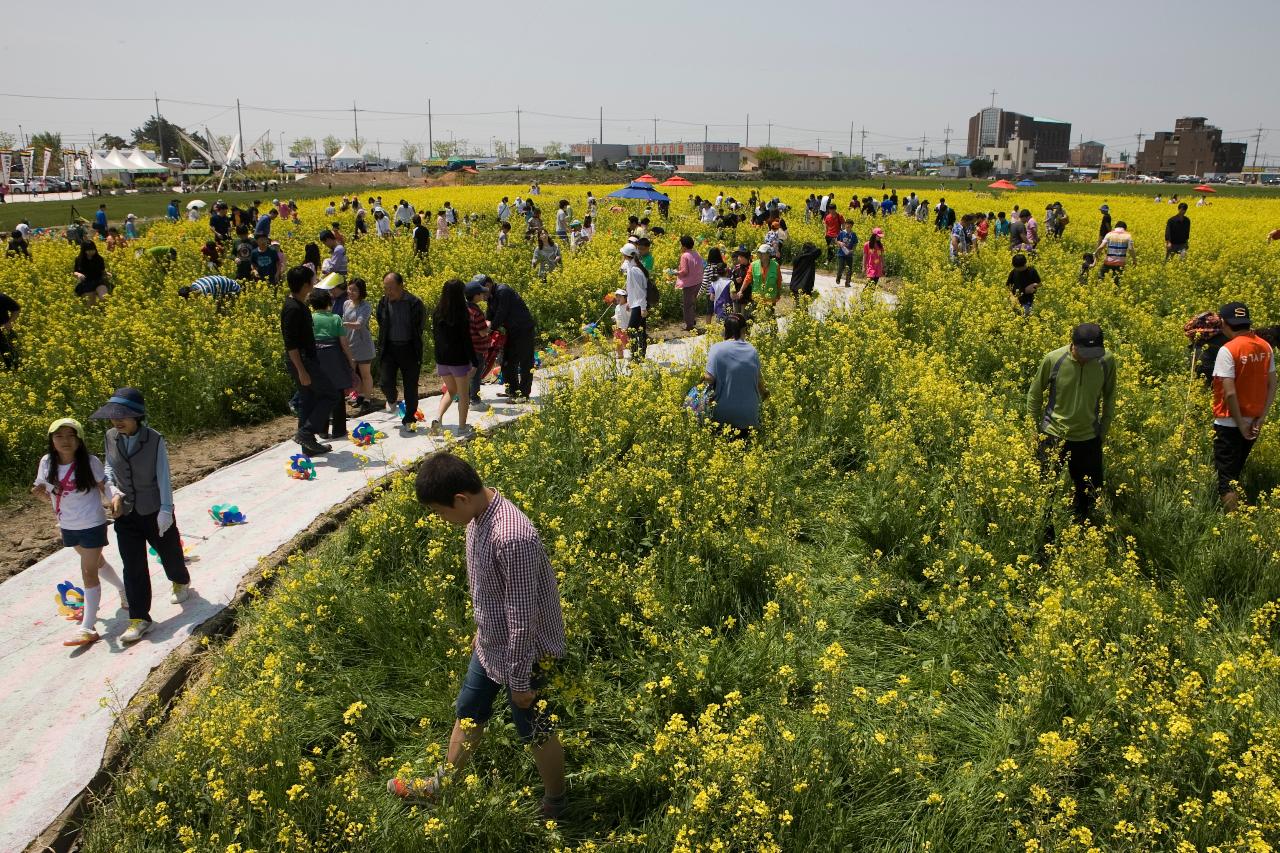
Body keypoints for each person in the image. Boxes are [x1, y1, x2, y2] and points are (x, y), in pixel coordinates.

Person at [388, 452, 567, 817]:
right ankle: (442, 787)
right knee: (468, 710)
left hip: (527, 654)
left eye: (440, 512)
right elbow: (493, 588)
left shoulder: (512, 536)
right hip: (491, 644)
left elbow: (522, 616)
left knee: (535, 729)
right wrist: (481, 628)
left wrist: (519, 683)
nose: (442, 520)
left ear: (460, 499)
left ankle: (557, 802)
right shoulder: (476, 516)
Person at [91, 387, 192, 644]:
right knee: (132, 565)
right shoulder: (110, 436)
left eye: (123, 416)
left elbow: (163, 475)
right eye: (114, 416)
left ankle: (180, 580)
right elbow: (109, 466)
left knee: (169, 551)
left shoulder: (154, 439)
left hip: (154, 509)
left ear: (137, 416)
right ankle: (139, 618)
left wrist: (166, 509)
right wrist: (112, 489)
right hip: (124, 512)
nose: (117, 421)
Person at [32, 418, 126, 646]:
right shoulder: (47, 462)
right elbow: (43, 488)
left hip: (92, 523)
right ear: (52, 440)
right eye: (59, 436)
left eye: (70, 436)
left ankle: (87, 628)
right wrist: (40, 492)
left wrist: (115, 496)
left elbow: (104, 484)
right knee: (98, 563)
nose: (65, 441)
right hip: (68, 524)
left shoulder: (90, 462)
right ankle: (123, 589)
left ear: (79, 439)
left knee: (88, 571)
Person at [1027, 324, 1117, 522]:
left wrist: (1104, 429)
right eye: (1084, 352)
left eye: (1093, 353)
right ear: (1072, 344)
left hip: (1088, 437)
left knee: (1088, 493)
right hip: (1053, 434)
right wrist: (1034, 430)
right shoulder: (1053, 359)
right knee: (1045, 492)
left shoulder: (1106, 360)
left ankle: (1080, 532)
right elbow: (1034, 394)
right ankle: (1045, 537)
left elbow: (1110, 396)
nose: (1088, 357)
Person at [1210, 302, 1277, 511]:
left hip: (1230, 421)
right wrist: (1260, 418)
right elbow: (1273, 384)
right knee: (1236, 472)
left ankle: (1233, 525)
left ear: (1224, 322)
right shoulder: (1265, 346)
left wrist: (1240, 425)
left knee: (1227, 479)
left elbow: (1230, 393)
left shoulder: (1228, 350)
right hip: (1254, 421)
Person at [281, 266, 339, 456]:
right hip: (303, 361)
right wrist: (301, 370)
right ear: (305, 284)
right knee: (330, 394)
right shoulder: (292, 309)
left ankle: (308, 445)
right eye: (312, 281)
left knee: (308, 399)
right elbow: (291, 344)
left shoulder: (298, 304)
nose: (315, 284)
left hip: (305, 360)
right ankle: (306, 433)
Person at [703, 313, 767, 440]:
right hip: (749, 417)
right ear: (744, 330)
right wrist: (765, 394)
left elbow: (709, 378)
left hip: (722, 416)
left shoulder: (717, 349)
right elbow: (759, 381)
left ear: (725, 330)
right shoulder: (752, 350)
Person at [375, 272, 427, 428]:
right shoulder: (383, 302)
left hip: (409, 348)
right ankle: (392, 398)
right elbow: (380, 321)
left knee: (410, 385)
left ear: (401, 287)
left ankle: (410, 417)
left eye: (392, 288)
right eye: (386, 288)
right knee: (385, 382)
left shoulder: (414, 303)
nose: (388, 292)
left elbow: (420, 326)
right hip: (389, 348)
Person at [475, 272, 537, 399]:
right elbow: (490, 316)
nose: (481, 295)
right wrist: (484, 328)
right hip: (512, 331)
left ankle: (523, 395)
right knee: (507, 362)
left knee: (525, 363)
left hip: (523, 329)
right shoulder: (491, 297)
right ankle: (513, 391)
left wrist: (489, 329)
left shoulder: (503, 291)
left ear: (488, 285)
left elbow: (501, 314)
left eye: (481, 290)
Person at [428, 279, 477, 436]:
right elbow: (466, 340)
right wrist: (474, 361)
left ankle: (438, 418)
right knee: (463, 395)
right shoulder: (461, 313)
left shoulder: (437, 312)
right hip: (458, 360)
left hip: (442, 360)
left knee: (451, 390)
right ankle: (462, 427)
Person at [308, 288, 356, 440]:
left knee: (321, 394)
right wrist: (351, 361)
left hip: (317, 358)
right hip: (334, 358)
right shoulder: (335, 318)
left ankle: (322, 430)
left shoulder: (310, 318)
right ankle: (339, 429)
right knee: (338, 394)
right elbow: (344, 343)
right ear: (329, 303)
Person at [341, 278, 377, 414]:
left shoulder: (365, 306)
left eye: (354, 290)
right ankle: (359, 395)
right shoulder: (346, 304)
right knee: (354, 374)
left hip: (363, 345)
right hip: (350, 344)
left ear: (361, 292)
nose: (351, 292)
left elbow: (359, 324)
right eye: (349, 289)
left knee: (365, 374)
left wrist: (341, 325)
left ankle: (367, 399)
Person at [464, 280, 493, 408]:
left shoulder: (464, 309)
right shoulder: (477, 312)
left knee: (466, 373)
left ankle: (465, 397)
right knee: (476, 375)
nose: (483, 295)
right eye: (481, 293)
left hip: (466, 347)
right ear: (475, 296)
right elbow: (482, 332)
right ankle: (475, 400)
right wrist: (488, 325)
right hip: (477, 348)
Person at [620, 244, 650, 358]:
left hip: (639, 305)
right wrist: (629, 301)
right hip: (636, 303)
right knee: (640, 330)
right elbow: (632, 289)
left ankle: (636, 356)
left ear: (626, 255)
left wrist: (643, 308)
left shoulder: (634, 270)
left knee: (631, 331)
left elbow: (641, 291)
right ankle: (640, 355)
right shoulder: (632, 267)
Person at [675, 235, 705, 332]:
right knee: (693, 303)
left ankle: (689, 325)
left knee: (687, 305)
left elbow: (684, 271)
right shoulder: (696, 253)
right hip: (698, 282)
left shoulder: (684, 255)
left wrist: (674, 272)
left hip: (689, 284)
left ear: (684, 246)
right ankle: (692, 320)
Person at [73, 240, 110, 305]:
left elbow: (102, 270)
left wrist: (107, 273)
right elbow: (75, 272)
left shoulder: (99, 258)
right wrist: (79, 274)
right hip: (87, 283)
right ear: (84, 250)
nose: (91, 252)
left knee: (104, 298)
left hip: (99, 281)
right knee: (91, 305)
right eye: (89, 250)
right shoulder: (79, 259)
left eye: (93, 250)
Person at [744, 244, 781, 308]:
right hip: (757, 297)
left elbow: (779, 280)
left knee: (769, 317)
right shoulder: (753, 265)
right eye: (759, 253)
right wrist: (741, 291)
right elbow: (747, 279)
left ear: (768, 254)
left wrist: (778, 293)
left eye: (762, 253)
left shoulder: (776, 265)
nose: (760, 255)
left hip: (770, 298)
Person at [0, 289, 19, 369]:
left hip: (3, 331)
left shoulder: (1, 297)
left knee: (12, 361)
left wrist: (9, 323)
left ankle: (16, 374)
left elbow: (16, 309)